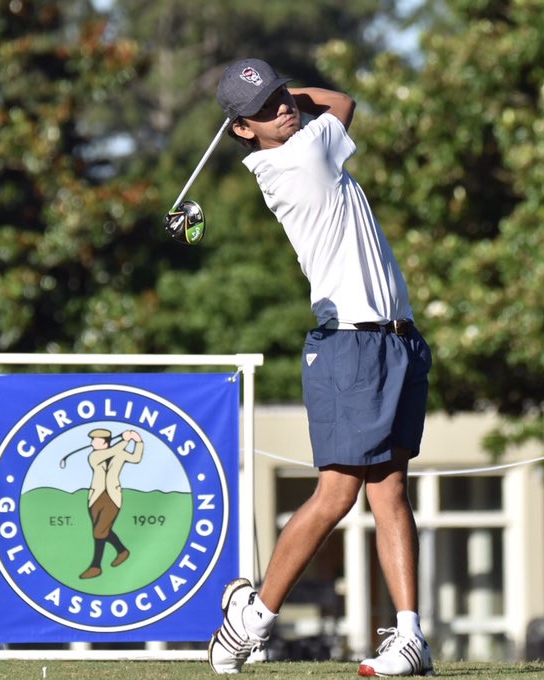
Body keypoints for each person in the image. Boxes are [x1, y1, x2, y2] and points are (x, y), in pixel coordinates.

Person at [206, 58, 434, 677]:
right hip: (351, 346)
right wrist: (302, 96)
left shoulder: (301, 142)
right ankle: (251, 622)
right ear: (242, 132)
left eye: (282, 95)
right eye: (265, 109)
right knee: (337, 493)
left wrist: (279, 94)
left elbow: (331, 105)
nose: (283, 107)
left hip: (395, 340)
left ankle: (410, 638)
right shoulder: (299, 157)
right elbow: (344, 101)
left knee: (390, 492)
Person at [79, 428, 144, 579]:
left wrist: (139, 442)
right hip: (95, 497)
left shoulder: (119, 452)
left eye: (94, 440)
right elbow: (110, 452)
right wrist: (126, 439)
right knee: (102, 530)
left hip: (113, 496)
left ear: (104, 441)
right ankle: (122, 551)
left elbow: (136, 458)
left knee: (99, 531)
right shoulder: (94, 456)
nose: (91, 442)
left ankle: (96, 566)